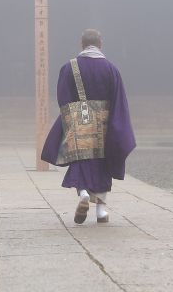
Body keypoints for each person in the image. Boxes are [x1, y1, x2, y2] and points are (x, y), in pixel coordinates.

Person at [40, 28, 136, 224]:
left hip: (79, 122)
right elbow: (119, 101)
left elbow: (63, 98)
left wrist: (71, 119)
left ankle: (83, 193)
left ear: (81, 44)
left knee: (81, 161)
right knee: (103, 164)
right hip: (105, 125)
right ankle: (101, 211)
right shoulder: (111, 69)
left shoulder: (70, 67)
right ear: (101, 43)